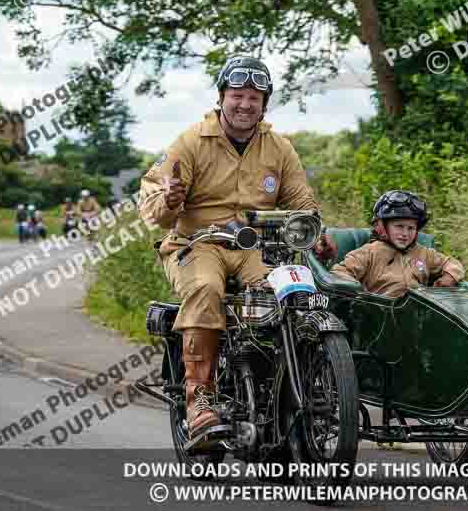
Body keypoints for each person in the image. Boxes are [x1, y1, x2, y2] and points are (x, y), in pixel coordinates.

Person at [138, 56, 337, 440]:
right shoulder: (192, 141)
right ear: (222, 98)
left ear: (264, 104)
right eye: (237, 95)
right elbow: (153, 205)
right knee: (205, 290)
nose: (245, 104)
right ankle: (201, 400)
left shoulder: (279, 147)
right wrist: (170, 198)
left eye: (254, 98)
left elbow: (300, 199)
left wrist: (317, 228)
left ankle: (284, 387)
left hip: (256, 245)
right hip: (198, 243)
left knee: (291, 294)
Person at [331, 190, 465, 298]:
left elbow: (452, 263)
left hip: (418, 315)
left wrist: (449, 278)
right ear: (382, 227)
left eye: (411, 228)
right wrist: (360, 292)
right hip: (380, 316)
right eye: (399, 226)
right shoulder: (369, 252)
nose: (405, 233)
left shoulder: (424, 253)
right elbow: (339, 272)